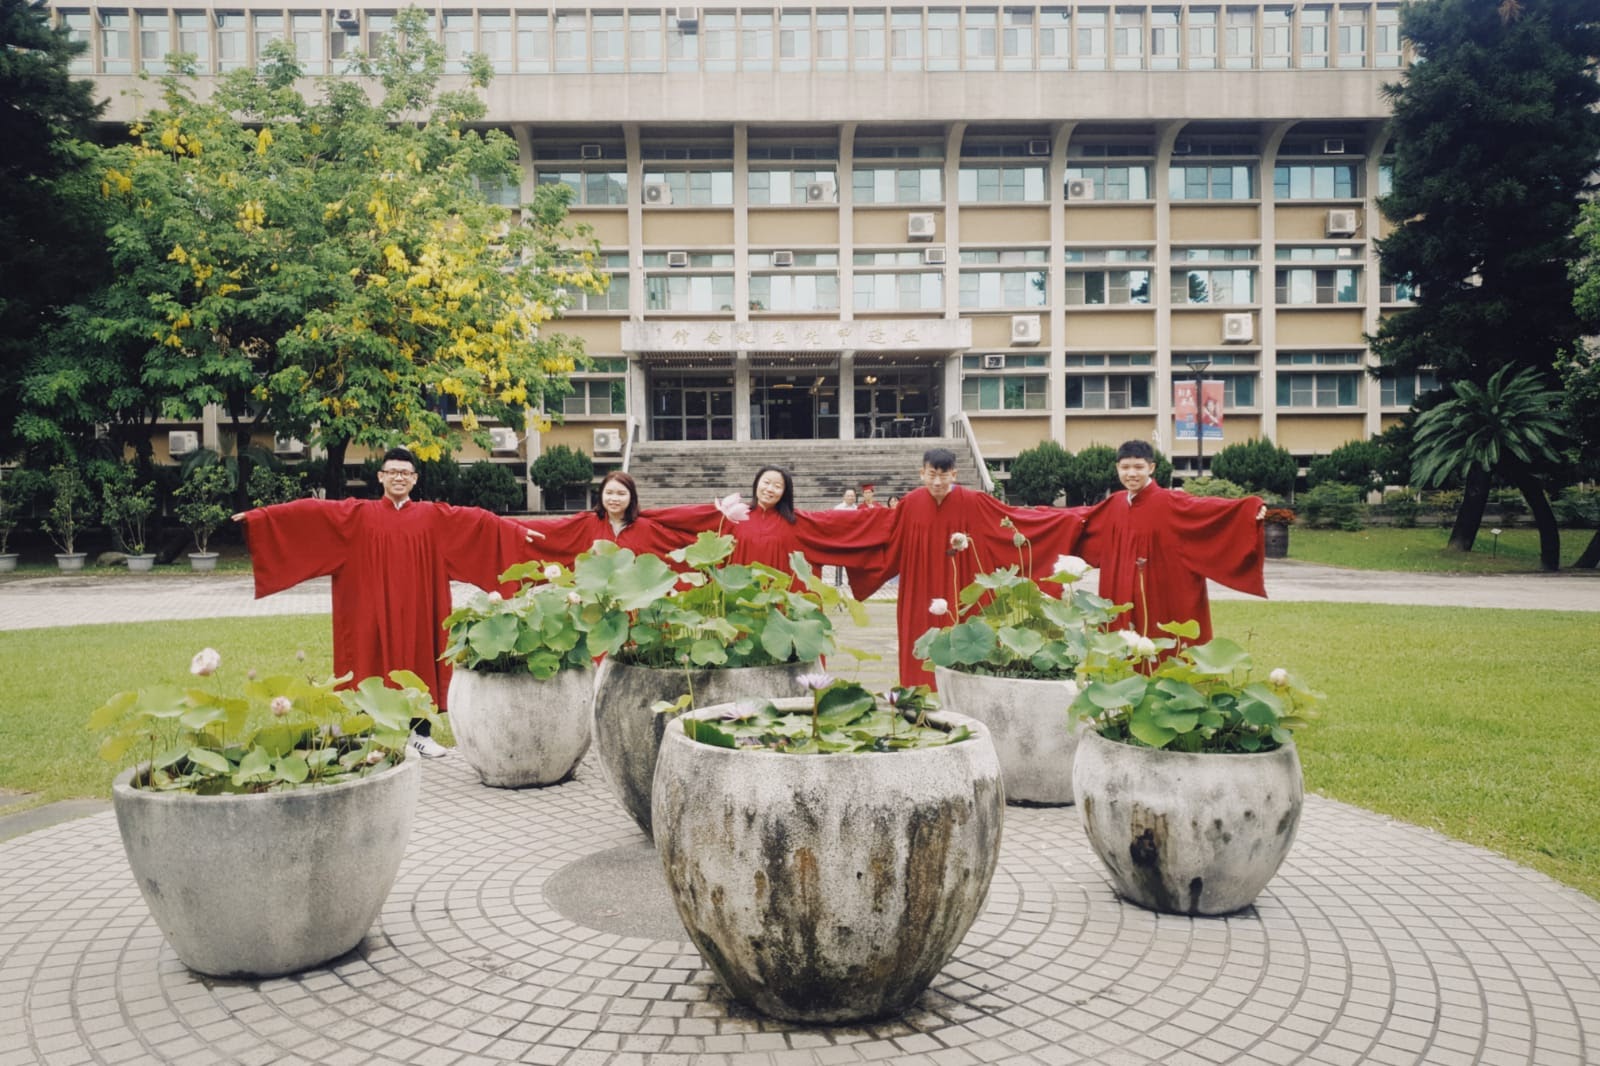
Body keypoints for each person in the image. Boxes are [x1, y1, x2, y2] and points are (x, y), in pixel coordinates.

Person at [233, 447, 531, 758]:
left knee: (420, 661)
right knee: (370, 663)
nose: (399, 477)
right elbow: (310, 514)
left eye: (405, 473)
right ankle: (375, 735)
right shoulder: (357, 516)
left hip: (420, 608)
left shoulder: (433, 517)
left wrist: (516, 532)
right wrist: (260, 518)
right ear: (381, 477)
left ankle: (420, 734)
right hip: (370, 609)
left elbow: (478, 523)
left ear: (414, 479)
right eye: (392, 472)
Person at [847, 448, 1089, 688]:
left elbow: (1014, 520)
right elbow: (881, 533)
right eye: (932, 475)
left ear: (955, 474)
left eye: (944, 475)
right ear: (922, 474)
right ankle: (918, 693)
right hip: (920, 588)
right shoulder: (910, 504)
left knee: (969, 641)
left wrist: (1070, 518)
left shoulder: (974, 502)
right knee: (921, 641)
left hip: (964, 587)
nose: (938, 481)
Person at [1073, 439, 1266, 647]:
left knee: (1165, 645)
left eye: (1138, 467)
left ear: (1151, 467)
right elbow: (1078, 520)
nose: (1131, 474)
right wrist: (1034, 518)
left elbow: (1208, 510)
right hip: (1121, 594)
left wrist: (1249, 509)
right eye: (1125, 467)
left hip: (1161, 593)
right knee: (1121, 649)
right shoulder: (1115, 504)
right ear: (1117, 468)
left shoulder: (1170, 502)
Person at [654, 466, 889, 583]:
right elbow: (688, 516)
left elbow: (839, 524)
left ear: (785, 492)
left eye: (777, 486)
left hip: (780, 602)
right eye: (766, 482)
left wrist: (889, 519)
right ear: (756, 484)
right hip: (740, 596)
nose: (770, 489)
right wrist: (647, 517)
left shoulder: (797, 522)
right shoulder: (734, 513)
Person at [515, 471, 692, 566]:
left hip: (636, 602)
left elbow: (680, 544)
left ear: (632, 497)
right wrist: (510, 527)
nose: (614, 499)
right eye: (609, 493)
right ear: (601, 495)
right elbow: (552, 529)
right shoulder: (587, 523)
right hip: (597, 601)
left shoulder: (646, 527)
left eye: (621, 494)